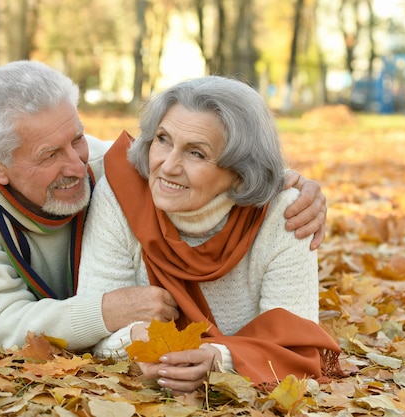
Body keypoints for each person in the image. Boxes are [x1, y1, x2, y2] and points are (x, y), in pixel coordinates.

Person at [0, 60, 328, 352]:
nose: (77, 165)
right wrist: (104, 311)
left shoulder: (106, 165)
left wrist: (286, 184)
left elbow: (204, 155)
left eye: (78, 139)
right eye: (50, 155)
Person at [76, 75, 341, 394]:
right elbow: (92, 324)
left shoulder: (288, 214)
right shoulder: (120, 196)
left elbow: (297, 345)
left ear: (241, 173)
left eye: (196, 153)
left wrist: (220, 359)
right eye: (163, 139)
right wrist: (135, 342)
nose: (167, 166)